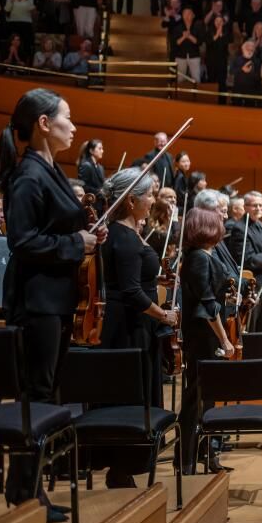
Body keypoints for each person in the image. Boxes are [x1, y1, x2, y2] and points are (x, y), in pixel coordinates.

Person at [0, 88, 104, 522]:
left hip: (56, 301)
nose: (74, 126)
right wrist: (73, 242)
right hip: (37, 302)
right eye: (67, 117)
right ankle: (25, 493)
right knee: (37, 395)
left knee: (46, 394)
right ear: (44, 123)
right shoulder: (28, 175)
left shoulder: (50, 169)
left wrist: (90, 234)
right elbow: (22, 242)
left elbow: (64, 228)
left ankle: (28, 488)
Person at [99, 168, 177, 417]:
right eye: (150, 195)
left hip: (129, 322)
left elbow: (133, 277)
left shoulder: (121, 233)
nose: (154, 200)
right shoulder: (125, 239)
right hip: (130, 327)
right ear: (131, 201)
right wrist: (164, 316)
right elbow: (131, 292)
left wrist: (158, 279)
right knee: (132, 394)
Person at [177, 207, 236, 474]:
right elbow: (207, 304)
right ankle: (186, 460)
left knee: (207, 397)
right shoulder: (199, 258)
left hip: (205, 334)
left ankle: (206, 454)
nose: (222, 224)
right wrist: (224, 339)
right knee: (196, 398)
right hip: (203, 336)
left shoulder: (202, 255)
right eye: (217, 222)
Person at [227, 190, 262, 332]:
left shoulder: (260, 225)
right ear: (245, 207)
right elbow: (247, 260)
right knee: (251, 329)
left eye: (261, 205)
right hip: (252, 286)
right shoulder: (240, 229)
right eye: (254, 205)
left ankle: (260, 353)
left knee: (260, 327)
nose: (258, 208)